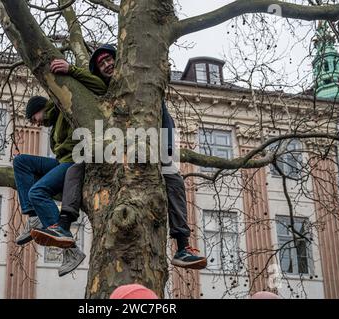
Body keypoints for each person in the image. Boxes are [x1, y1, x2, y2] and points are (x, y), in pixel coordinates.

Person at [31, 45, 207, 270]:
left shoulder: (142, 88)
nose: (106, 64)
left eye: (108, 59)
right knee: (76, 167)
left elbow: (165, 119)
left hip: (145, 148)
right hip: (109, 149)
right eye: (101, 63)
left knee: (174, 180)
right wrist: (70, 70)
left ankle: (183, 246)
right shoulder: (102, 92)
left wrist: (168, 148)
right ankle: (63, 226)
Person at [13, 96, 85, 277]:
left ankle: (71, 251)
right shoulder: (53, 125)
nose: (35, 124)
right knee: (21, 162)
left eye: (33, 119)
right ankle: (34, 217)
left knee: (37, 192)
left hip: (73, 161)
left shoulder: (62, 108)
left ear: (40, 109)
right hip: (61, 161)